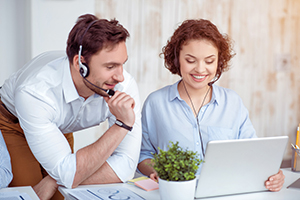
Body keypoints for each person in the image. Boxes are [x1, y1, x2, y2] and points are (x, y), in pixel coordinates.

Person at [0, 14, 141, 200]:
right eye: (110, 67)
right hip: (14, 123)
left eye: (122, 64)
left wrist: (55, 179)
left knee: (60, 193)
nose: (120, 77)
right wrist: (122, 125)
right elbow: (70, 174)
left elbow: (126, 167)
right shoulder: (35, 92)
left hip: (59, 124)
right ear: (79, 64)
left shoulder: (123, 86)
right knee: (31, 195)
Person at [137, 19, 285, 192]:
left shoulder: (233, 102)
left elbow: (254, 154)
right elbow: (143, 155)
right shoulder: (156, 103)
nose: (200, 69)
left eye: (209, 61)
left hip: (226, 193)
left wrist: (273, 175)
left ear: (218, 61)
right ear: (177, 59)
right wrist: (157, 170)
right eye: (191, 60)